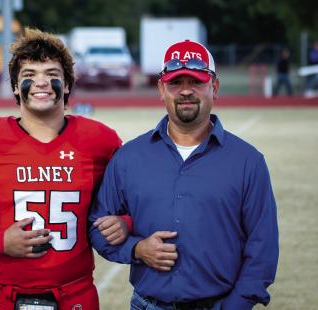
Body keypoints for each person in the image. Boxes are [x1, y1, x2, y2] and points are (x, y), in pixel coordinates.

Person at [89, 40, 279, 310]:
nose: (186, 91)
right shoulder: (129, 158)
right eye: (176, 83)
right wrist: (137, 248)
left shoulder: (248, 162)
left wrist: (237, 305)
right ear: (161, 89)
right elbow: (97, 225)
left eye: (197, 82)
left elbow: (263, 248)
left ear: (214, 87)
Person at [0, 28, 128, 310]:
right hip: (4, 295)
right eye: (29, 76)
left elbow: (135, 201)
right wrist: (0, 242)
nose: (41, 83)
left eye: (52, 75)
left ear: (67, 85)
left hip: (75, 294)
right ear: (14, 87)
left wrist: (125, 222)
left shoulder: (98, 140)